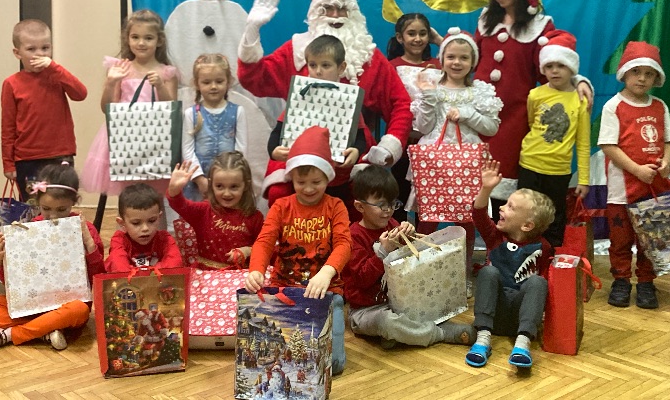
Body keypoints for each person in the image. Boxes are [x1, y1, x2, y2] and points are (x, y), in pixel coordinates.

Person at [237, 0, 412, 167]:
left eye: (342, 8)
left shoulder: (368, 55)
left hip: (351, 155)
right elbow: (254, 78)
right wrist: (251, 31)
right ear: (316, 13)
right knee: (279, 184)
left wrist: (389, 145)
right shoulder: (296, 50)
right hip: (299, 153)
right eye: (327, 8)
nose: (335, 15)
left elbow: (401, 103)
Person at [475, 0, 593, 213]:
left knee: (505, 182)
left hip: (514, 118)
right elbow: (472, 58)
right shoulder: (485, 20)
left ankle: (506, 235)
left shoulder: (540, 26)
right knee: (475, 182)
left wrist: (578, 80)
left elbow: (551, 66)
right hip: (477, 115)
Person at [244, 126, 352, 375]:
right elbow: (264, 241)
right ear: (291, 177)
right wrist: (256, 270)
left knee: (333, 365)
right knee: (276, 358)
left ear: (328, 178)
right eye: (301, 182)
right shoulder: (281, 206)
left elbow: (344, 244)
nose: (309, 188)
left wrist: (327, 273)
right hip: (285, 290)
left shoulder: (336, 206)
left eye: (316, 182)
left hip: (326, 292)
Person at [408, 27, 502, 297]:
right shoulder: (432, 88)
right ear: (442, 59)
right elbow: (423, 127)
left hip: (467, 164)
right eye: (451, 57)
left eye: (464, 57)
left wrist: (467, 114)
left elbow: (492, 128)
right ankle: (421, 271)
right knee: (427, 217)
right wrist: (428, 97)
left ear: (473, 61)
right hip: (433, 163)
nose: (457, 62)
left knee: (466, 219)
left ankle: (461, 275)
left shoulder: (479, 91)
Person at [343, 165, 475, 349]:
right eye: (381, 205)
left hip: (398, 303)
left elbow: (406, 265)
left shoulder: (391, 224)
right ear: (360, 206)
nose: (388, 210)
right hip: (365, 311)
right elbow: (361, 279)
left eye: (392, 204)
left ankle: (397, 336)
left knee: (421, 307)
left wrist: (409, 238)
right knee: (387, 322)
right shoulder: (353, 236)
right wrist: (383, 252)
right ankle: (440, 333)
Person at [0, 163, 105, 353]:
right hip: (32, 306)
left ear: (74, 202)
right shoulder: (31, 228)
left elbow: (98, 280)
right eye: (46, 208)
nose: (52, 216)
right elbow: (17, 286)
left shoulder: (85, 229)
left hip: (68, 308)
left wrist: (89, 244)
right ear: (37, 202)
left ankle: (7, 335)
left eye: (62, 209)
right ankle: (44, 330)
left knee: (79, 310)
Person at [598, 41, 670, 310]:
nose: (642, 78)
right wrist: (636, 170)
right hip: (622, 190)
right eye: (636, 71)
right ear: (624, 73)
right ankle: (621, 280)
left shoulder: (660, 106)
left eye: (648, 73)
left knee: (650, 238)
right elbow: (608, 146)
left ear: (656, 78)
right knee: (621, 240)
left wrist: (666, 162)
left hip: (654, 188)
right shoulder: (613, 106)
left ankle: (646, 281)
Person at [263, 35, 367, 219]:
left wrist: (356, 151)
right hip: (303, 177)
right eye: (312, 65)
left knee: (335, 218)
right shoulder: (300, 96)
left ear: (341, 67)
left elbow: (360, 136)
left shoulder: (348, 101)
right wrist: (274, 150)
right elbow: (278, 131)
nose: (318, 71)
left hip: (337, 179)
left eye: (325, 65)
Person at [465, 159, 554, 370]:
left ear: (527, 225)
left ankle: (523, 344)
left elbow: (544, 284)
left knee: (538, 282)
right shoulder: (495, 237)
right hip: (492, 314)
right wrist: (486, 189)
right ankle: (483, 339)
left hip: (521, 320)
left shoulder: (543, 247)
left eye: (510, 207)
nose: (502, 208)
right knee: (488, 272)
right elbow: (478, 215)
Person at [81, 9, 179, 196]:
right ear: (127, 39)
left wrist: (160, 86)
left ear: (159, 41)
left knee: (155, 193)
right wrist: (111, 82)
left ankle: (157, 216)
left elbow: (172, 109)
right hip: (125, 136)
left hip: (156, 139)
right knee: (129, 192)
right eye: (135, 37)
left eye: (148, 38)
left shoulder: (167, 73)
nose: (141, 43)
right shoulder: (120, 68)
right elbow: (107, 109)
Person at [518, 29, 590, 248]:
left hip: (558, 170)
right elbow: (532, 124)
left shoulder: (581, 100)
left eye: (561, 65)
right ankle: (524, 254)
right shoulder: (535, 95)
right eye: (549, 66)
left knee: (555, 216)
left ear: (572, 68)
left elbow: (583, 143)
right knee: (525, 213)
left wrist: (584, 179)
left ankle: (551, 256)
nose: (555, 71)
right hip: (530, 164)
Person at [1, 19, 87, 197]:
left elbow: (80, 93)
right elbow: (8, 127)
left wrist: (54, 67)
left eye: (45, 48)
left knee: (61, 201)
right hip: (27, 159)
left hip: (60, 154)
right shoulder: (11, 84)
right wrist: (8, 163)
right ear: (17, 53)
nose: (39, 54)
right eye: (31, 49)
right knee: (32, 205)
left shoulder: (57, 75)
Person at [386, 13, 442, 223]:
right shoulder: (392, 66)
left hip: (430, 143)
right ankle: (398, 237)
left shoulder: (438, 65)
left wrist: (440, 41)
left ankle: (424, 239)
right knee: (399, 195)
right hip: (402, 141)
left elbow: (467, 59)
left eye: (423, 33)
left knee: (425, 201)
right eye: (411, 33)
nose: (417, 39)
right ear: (400, 37)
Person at [166, 151, 263, 269]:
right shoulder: (204, 211)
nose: (226, 193)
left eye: (234, 187)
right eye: (219, 186)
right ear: (211, 184)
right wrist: (174, 190)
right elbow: (179, 204)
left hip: (242, 277)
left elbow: (265, 246)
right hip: (205, 275)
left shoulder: (254, 217)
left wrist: (248, 250)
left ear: (246, 185)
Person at [182, 53, 247, 199]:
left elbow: (241, 149)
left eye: (219, 81)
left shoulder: (238, 112)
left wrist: (232, 177)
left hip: (228, 182)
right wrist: (199, 179)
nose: (213, 87)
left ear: (228, 81)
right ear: (197, 84)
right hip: (198, 181)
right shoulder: (191, 114)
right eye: (206, 82)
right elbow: (187, 150)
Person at [105, 183, 184, 272]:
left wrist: (143, 273)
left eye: (152, 221)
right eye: (136, 223)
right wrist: (154, 271)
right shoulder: (119, 240)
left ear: (159, 217)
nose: (145, 228)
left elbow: (175, 264)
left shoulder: (164, 238)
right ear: (122, 223)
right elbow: (119, 268)